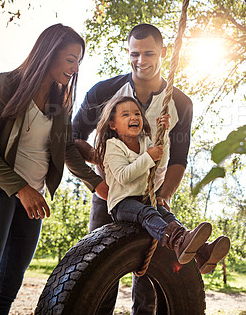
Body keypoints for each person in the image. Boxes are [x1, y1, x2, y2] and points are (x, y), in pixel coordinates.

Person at [73, 23, 230, 314]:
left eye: (149, 53)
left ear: (164, 52)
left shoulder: (180, 103)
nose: (141, 61)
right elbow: (74, 138)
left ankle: (200, 253)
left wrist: (165, 194)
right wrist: (100, 165)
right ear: (128, 53)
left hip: (152, 194)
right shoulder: (104, 92)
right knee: (100, 270)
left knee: (147, 276)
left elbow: (179, 158)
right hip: (111, 194)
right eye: (134, 54)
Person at [0, 23, 104, 315]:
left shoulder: (59, 105)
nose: (75, 68)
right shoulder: (6, 84)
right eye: (70, 59)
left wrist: (96, 183)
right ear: (49, 53)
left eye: (79, 61)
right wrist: (21, 189)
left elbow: (66, 150)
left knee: (6, 291)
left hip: (33, 200)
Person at [94, 95, 226, 266]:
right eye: (125, 115)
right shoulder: (113, 146)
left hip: (144, 199)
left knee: (166, 214)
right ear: (113, 124)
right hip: (122, 204)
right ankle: (178, 241)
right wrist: (148, 157)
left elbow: (160, 163)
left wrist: (163, 133)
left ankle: (202, 253)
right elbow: (123, 176)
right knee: (148, 213)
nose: (133, 117)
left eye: (137, 114)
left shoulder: (144, 141)